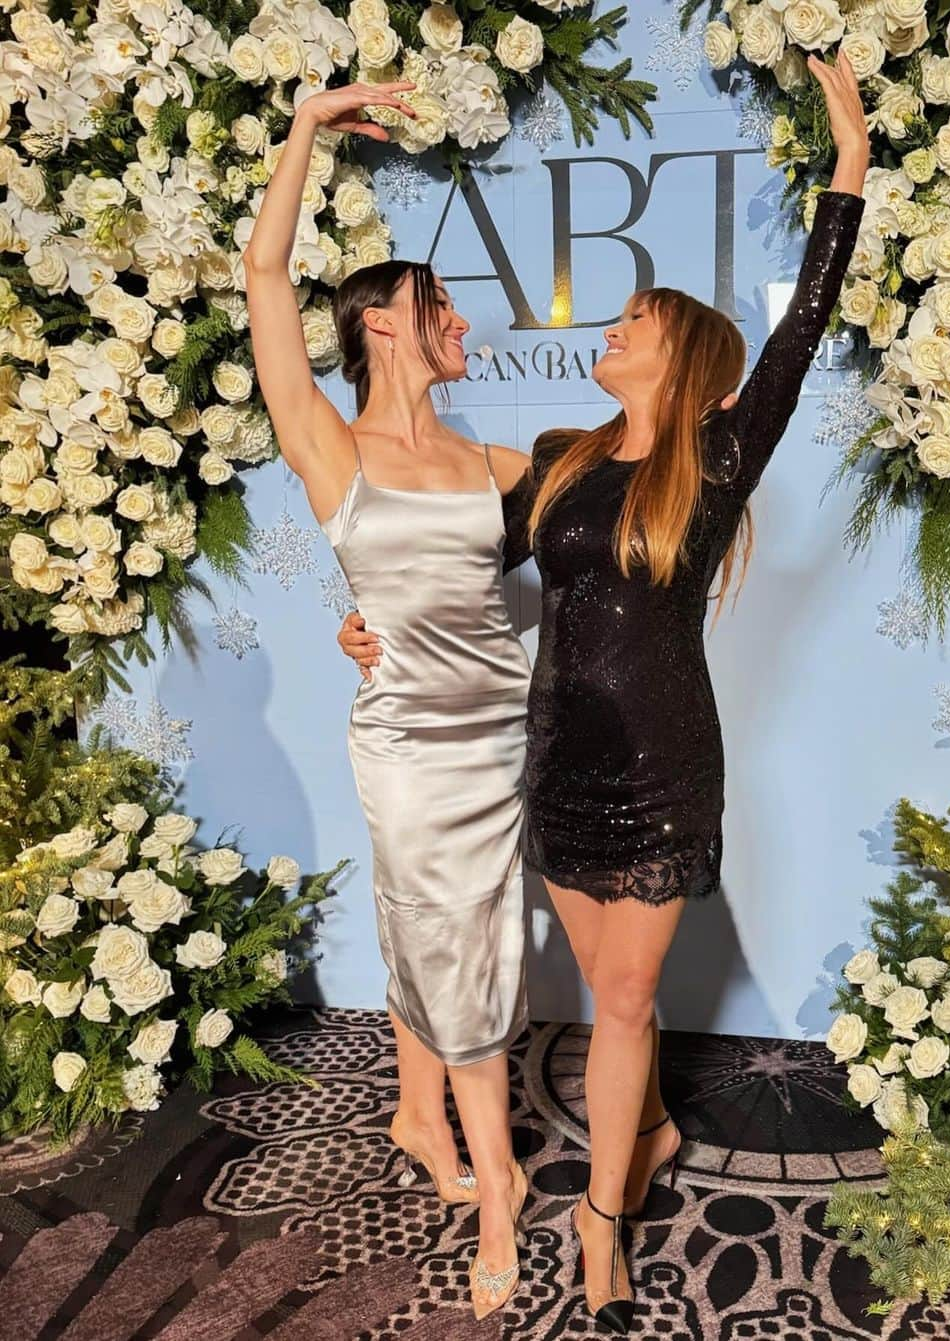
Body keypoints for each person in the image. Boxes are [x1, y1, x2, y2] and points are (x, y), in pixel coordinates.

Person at [339, 51, 867, 1334]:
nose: (611, 332)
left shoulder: (723, 453)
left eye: (634, 323)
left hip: (664, 764)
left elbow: (807, 316)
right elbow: (453, 557)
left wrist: (848, 154)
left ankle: (602, 1219)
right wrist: (369, 627)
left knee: (623, 1004)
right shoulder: (562, 466)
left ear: (679, 355)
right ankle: (655, 1124)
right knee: (602, 999)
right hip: (556, 763)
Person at [242, 79, 539, 1319]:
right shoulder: (331, 446)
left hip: (506, 738)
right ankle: (507, 1180)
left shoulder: (498, 462)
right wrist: (306, 128)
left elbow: (626, 482)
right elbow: (264, 286)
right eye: (441, 307)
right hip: (411, 744)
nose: (462, 323)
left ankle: (422, 1114)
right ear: (381, 326)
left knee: (459, 940)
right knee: (456, 948)